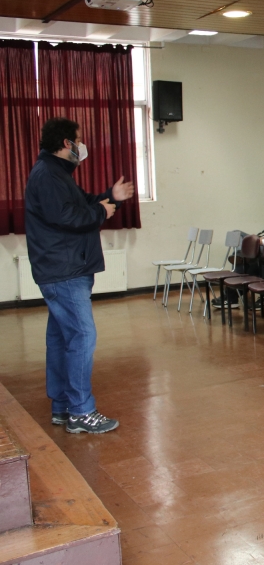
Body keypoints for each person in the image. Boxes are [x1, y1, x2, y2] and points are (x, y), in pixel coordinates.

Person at [25, 117, 135, 434]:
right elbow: (69, 217)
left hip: (64, 267)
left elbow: (81, 202)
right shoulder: (48, 176)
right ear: (66, 144)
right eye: (79, 139)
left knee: (62, 340)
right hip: (64, 270)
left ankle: (62, 407)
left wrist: (109, 196)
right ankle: (80, 412)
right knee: (83, 337)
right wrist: (102, 212)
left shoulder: (57, 174)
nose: (82, 145)